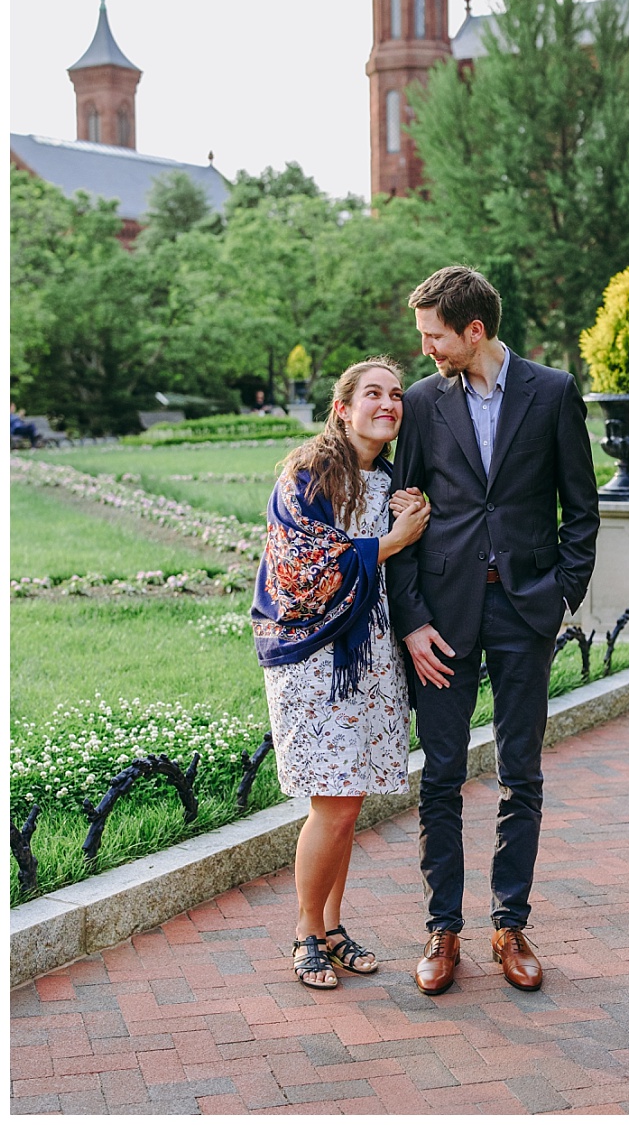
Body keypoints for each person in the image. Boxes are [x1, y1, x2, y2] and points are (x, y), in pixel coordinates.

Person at [387, 265, 600, 996]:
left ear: (473, 330)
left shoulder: (553, 392)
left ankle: (509, 923)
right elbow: (403, 517)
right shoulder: (421, 403)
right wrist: (410, 620)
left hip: (524, 612)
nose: (427, 350)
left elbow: (582, 506)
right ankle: (442, 930)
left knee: (522, 773)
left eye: (434, 336)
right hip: (442, 621)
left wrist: (560, 596)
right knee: (441, 775)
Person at [252, 358, 431, 989]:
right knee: (331, 803)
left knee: (348, 804)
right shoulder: (307, 476)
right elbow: (299, 568)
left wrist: (411, 523)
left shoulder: (390, 484)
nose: (388, 404)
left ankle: (331, 925)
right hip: (313, 659)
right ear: (343, 408)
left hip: (372, 658)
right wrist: (391, 542)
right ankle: (305, 934)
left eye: (396, 395)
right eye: (373, 394)